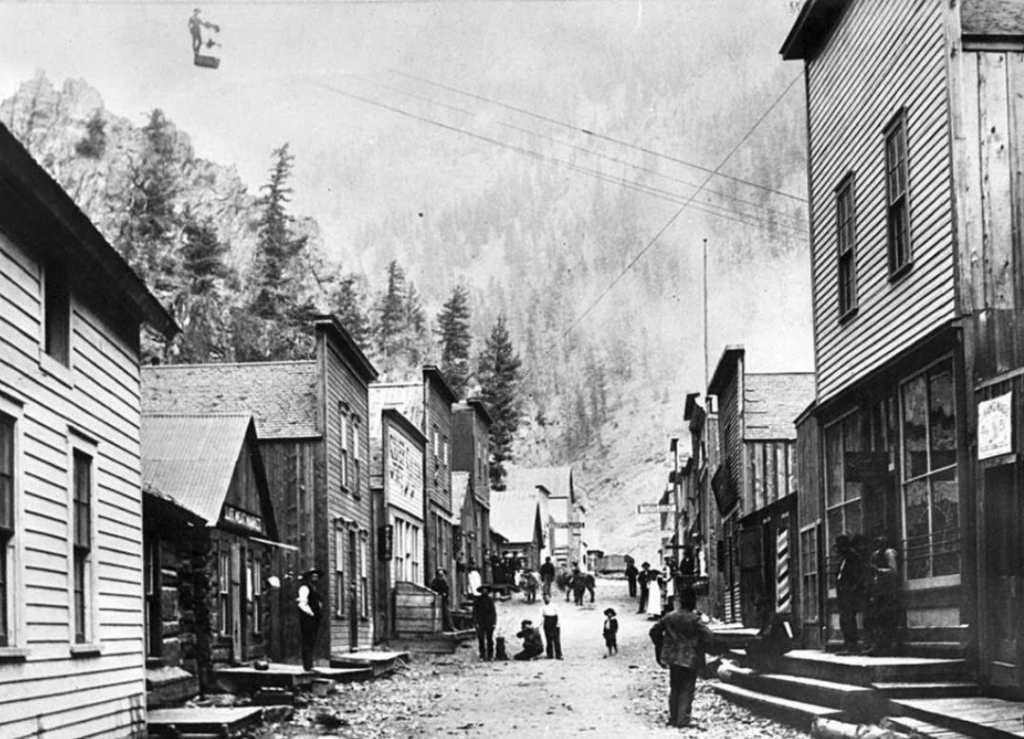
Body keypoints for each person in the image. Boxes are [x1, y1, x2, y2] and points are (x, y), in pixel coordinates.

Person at [649, 589, 717, 728]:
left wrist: (662, 645)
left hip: (672, 656)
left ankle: (673, 718)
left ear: (680, 602)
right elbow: (709, 637)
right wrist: (700, 647)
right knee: (687, 687)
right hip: (690, 657)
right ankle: (683, 719)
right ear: (693, 602)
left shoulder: (669, 617)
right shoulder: (695, 619)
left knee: (675, 686)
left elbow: (654, 631)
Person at [865, 537, 902, 656]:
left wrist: (878, 570)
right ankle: (877, 645)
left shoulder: (889, 553)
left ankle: (886, 646)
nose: (879, 546)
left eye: (881, 543)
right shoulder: (876, 555)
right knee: (876, 619)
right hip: (879, 591)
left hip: (889, 591)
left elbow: (893, 571)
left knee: (887, 619)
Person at [836, 534, 869, 654]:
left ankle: (851, 646)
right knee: (845, 620)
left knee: (848, 619)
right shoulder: (844, 559)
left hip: (850, 595)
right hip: (844, 594)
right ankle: (847, 644)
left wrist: (851, 589)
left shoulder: (853, 557)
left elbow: (857, 576)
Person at [296, 569, 324, 671]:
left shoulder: (315, 589)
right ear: (309, 578)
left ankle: (310, 663)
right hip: (308, 619)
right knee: (307, 640)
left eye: (317, 577)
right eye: (313, 577)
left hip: (315, 619)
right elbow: (302, 603)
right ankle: (307, 665)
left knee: (312, 640)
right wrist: (311, 613)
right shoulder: (305, 588)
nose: (315, 579)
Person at [473, 585, 497, 661]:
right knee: (481, 639)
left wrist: (494, 622)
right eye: (483, 590)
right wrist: (476, 622)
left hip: (489, 622)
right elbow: (475, 612)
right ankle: (482, 655)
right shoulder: (477, 600)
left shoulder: (490, 600)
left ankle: (490, 655)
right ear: (481, 591)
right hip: (480, 622)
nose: (484, 591)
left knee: (490, 640)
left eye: (486, 590)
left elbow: (493, 612)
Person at [540, 592, 563, 659]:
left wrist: (558, 623)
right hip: (547, 622)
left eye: (547, 598)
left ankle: (559, 655)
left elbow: (559, 615)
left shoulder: (555, 606)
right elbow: (541, 617)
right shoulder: (542, 608)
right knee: (548, 639)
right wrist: (539, 625)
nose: (546, 599)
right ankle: (550, 655)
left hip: (554, 621)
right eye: (544, 598)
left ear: (550, 598)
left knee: (556, 639)